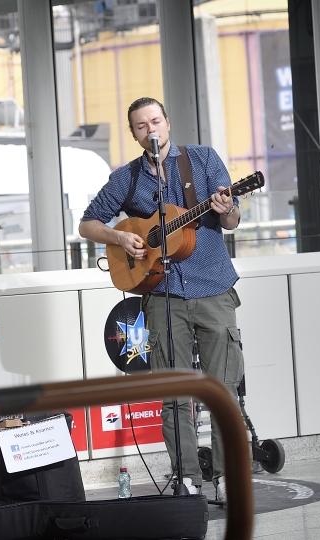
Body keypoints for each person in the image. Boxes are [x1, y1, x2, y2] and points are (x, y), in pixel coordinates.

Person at [78, 97, 246, 501]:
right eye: (140, 125)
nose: (150, 130)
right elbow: (87, 223)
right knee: (175, 396)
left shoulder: (203, 161)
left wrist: (225, 210)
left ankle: (226, 477)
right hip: (161, 295)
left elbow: (233, 218)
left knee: (223, 391)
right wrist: (120, 237)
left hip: (213, 288)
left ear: (168, 123)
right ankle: (187, 478)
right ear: (133, 133)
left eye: (156, 121)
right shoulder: (128, 178)